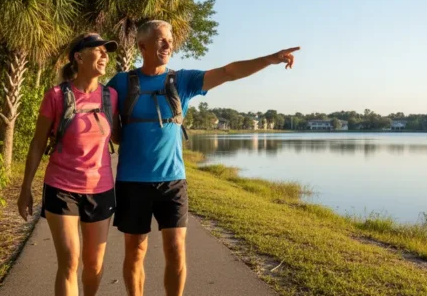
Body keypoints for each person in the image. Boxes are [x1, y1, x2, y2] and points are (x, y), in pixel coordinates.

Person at [107, 20, 299, 296]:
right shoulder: (121, 83)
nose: (168, 44)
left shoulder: (182, 80)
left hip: (172, 181)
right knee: (135, 250)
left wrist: (269, 59)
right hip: (131, 181)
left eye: (170, 40)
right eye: (161, 40)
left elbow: (228, 72)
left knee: (176, 249)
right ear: (142, 46)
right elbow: (107, 126)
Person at [17, 33, 121, 296]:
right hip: (61, 187)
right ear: (79, 56)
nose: (105, 56)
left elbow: (122, 136)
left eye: (107, 52)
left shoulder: (111, 97)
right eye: (99, 50)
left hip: (101, 188)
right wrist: (25, 188)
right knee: (70, 262)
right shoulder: (55, 95)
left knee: (94, 265)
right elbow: (38, 143)